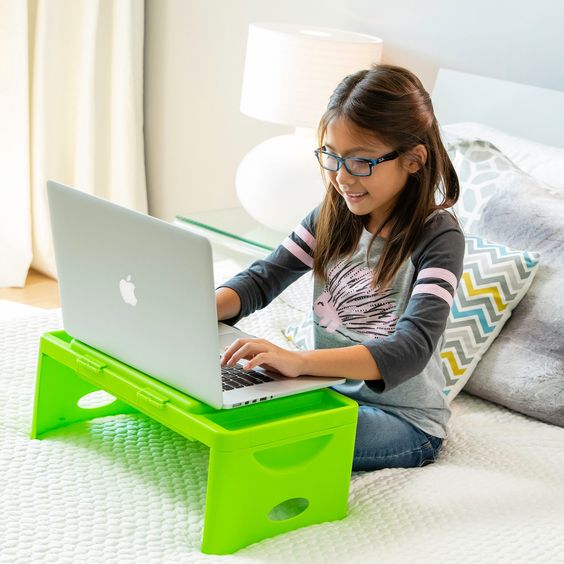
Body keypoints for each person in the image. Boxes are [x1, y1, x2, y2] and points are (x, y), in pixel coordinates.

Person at [215, 64, 464, 472]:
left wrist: (299, 362)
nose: (341, 178)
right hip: (326, 393)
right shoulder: (333, 214)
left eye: (360, 162)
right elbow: (262, 280)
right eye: (331, 156)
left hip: (404, 421)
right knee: (222, 407)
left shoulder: (437, 236)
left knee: (263, 440)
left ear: (414, 159)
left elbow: (411, 349)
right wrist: (191, 310)